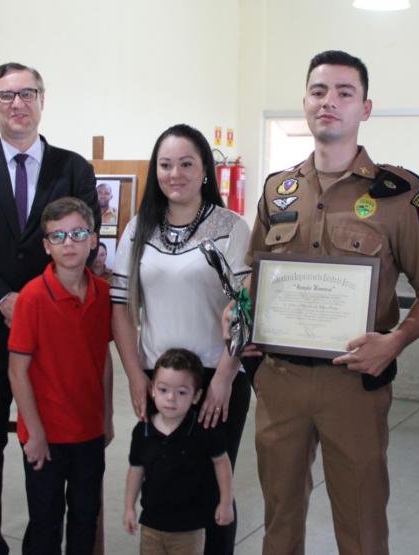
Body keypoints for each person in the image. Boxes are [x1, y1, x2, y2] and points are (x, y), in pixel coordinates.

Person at [242, 51, 419, 555]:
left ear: (365, 108)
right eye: (318, 91)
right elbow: (254, 280)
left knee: (362, 527)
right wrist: (240, 317)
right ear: (305, 103)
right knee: (278, 524)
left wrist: (394, 343)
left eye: (343, 93)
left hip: (354, 384)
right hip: (280, 382)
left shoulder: (398, 195)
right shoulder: (277, 191)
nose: (329, 102)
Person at [0, 62, 100, 554]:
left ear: (42, 99)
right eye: (5, 95)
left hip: (55, 338)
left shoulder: (73, 168)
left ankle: (42, 545)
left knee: (49, 448)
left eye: (26, 93)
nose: (17, 103)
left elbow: (82, 244)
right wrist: (6, 299)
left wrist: (35, 304)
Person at [111, 123, 251, 554]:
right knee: (164, 477)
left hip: (215, 376)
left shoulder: (231, 226)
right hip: (159, 377)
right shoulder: (139, 228)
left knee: (213, 483)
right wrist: (136, 375)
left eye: (186, 163)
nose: (175, 173)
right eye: (166, 165)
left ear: (205, 169)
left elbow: (244, 309)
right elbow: (120, 305)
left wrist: (225, 377)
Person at [7, 197, 113, 554]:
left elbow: (104, 361)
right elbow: (17, 370)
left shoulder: (102, 294)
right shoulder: (32, 298)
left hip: (88, 432)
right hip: (46, 437)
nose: (69, 243)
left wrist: (107, 417)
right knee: (46, 523)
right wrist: (34, 433)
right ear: (46, 245)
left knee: (85, 518)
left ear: (93, 240)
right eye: (58, 236)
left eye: (78, 233)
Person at [123, 348, 234, 555]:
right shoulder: (143, 430)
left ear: (196, 396)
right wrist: (129, 507)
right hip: (151, 526)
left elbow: (222, 463)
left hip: (188, 530)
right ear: (153, 390)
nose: (171, 398)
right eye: (163, 390)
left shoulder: (204, 431)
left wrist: (226, 502)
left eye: (182, 392)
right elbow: (136, 469)